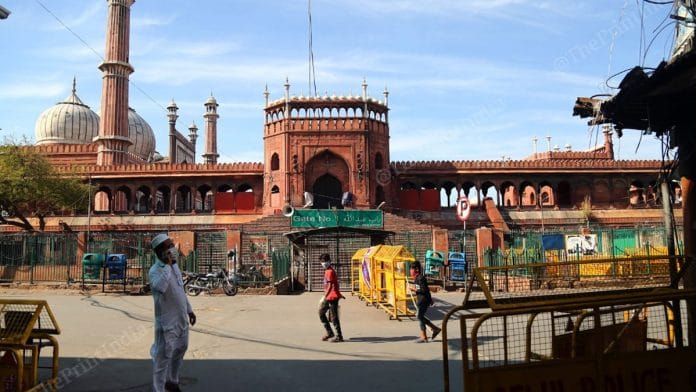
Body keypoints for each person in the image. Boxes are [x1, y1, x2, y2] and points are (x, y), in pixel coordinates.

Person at [149, 233, 197, 392]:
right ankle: (159, 388)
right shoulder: (155, 270)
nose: (173, 248)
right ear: (160, 251)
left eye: (171, 245)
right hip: (167, 322)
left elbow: (180, 290)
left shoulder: (174, 266)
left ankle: (172, 381)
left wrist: (189, 310)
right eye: (169, 246)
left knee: (180, 349)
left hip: (181, 318)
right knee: (163, 358)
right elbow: (160, 287)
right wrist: (167, 266)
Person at [409, 260, 441, 343]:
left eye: (412, 269)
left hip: (423, 301)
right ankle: (433, 330)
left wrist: (413, 289)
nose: (410, 271)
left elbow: (423, 290)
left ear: (416, 269)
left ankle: (427, 334)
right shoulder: (417, 278)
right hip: (422, 300)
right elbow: (425, 290)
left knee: (419, 316)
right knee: (420, 317)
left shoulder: (420, 278)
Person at [318, 253, 345, 342]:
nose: (323, 263)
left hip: (332, 297)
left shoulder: (329, 271)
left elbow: (330, 285)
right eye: (322, 261)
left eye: (325, 261)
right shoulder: (328, 270)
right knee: (321, 312)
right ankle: (330, 332)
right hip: (330, 295)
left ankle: (339, 336)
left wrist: (324, 296)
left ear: (329, 261)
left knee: (333, 317)